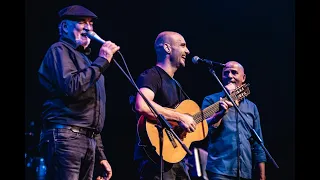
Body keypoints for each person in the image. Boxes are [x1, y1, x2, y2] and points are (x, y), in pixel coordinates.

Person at [37, 5, 120, 180]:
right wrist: (102, 60)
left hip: (87, 141)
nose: (88, 27)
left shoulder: (88, 62)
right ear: (65, 27)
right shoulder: (59, 50)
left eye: (91, 23)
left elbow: (92, 113)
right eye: (82, 22)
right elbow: (71, 87)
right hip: (66, 138)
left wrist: (101, 154)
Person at [132, 31, 196, 180]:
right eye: (182, 45)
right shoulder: (151, 75)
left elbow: (190, 122)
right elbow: (142, 105)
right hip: (155, 159)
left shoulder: (176, 85)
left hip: (176, 156)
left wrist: (217, 114)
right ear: (167, 48)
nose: (187, 51)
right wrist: (180, 116)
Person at [201, 61, 267, 180]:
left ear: (243, 78)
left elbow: (258, 143)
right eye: (226, 73)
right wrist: (220, 113)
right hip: (219, 170)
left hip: (245, 172)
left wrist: (262, 175)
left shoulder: (251, 107)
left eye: (234, 72)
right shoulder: (211, 100)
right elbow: (205, 130)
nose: (230, 76)